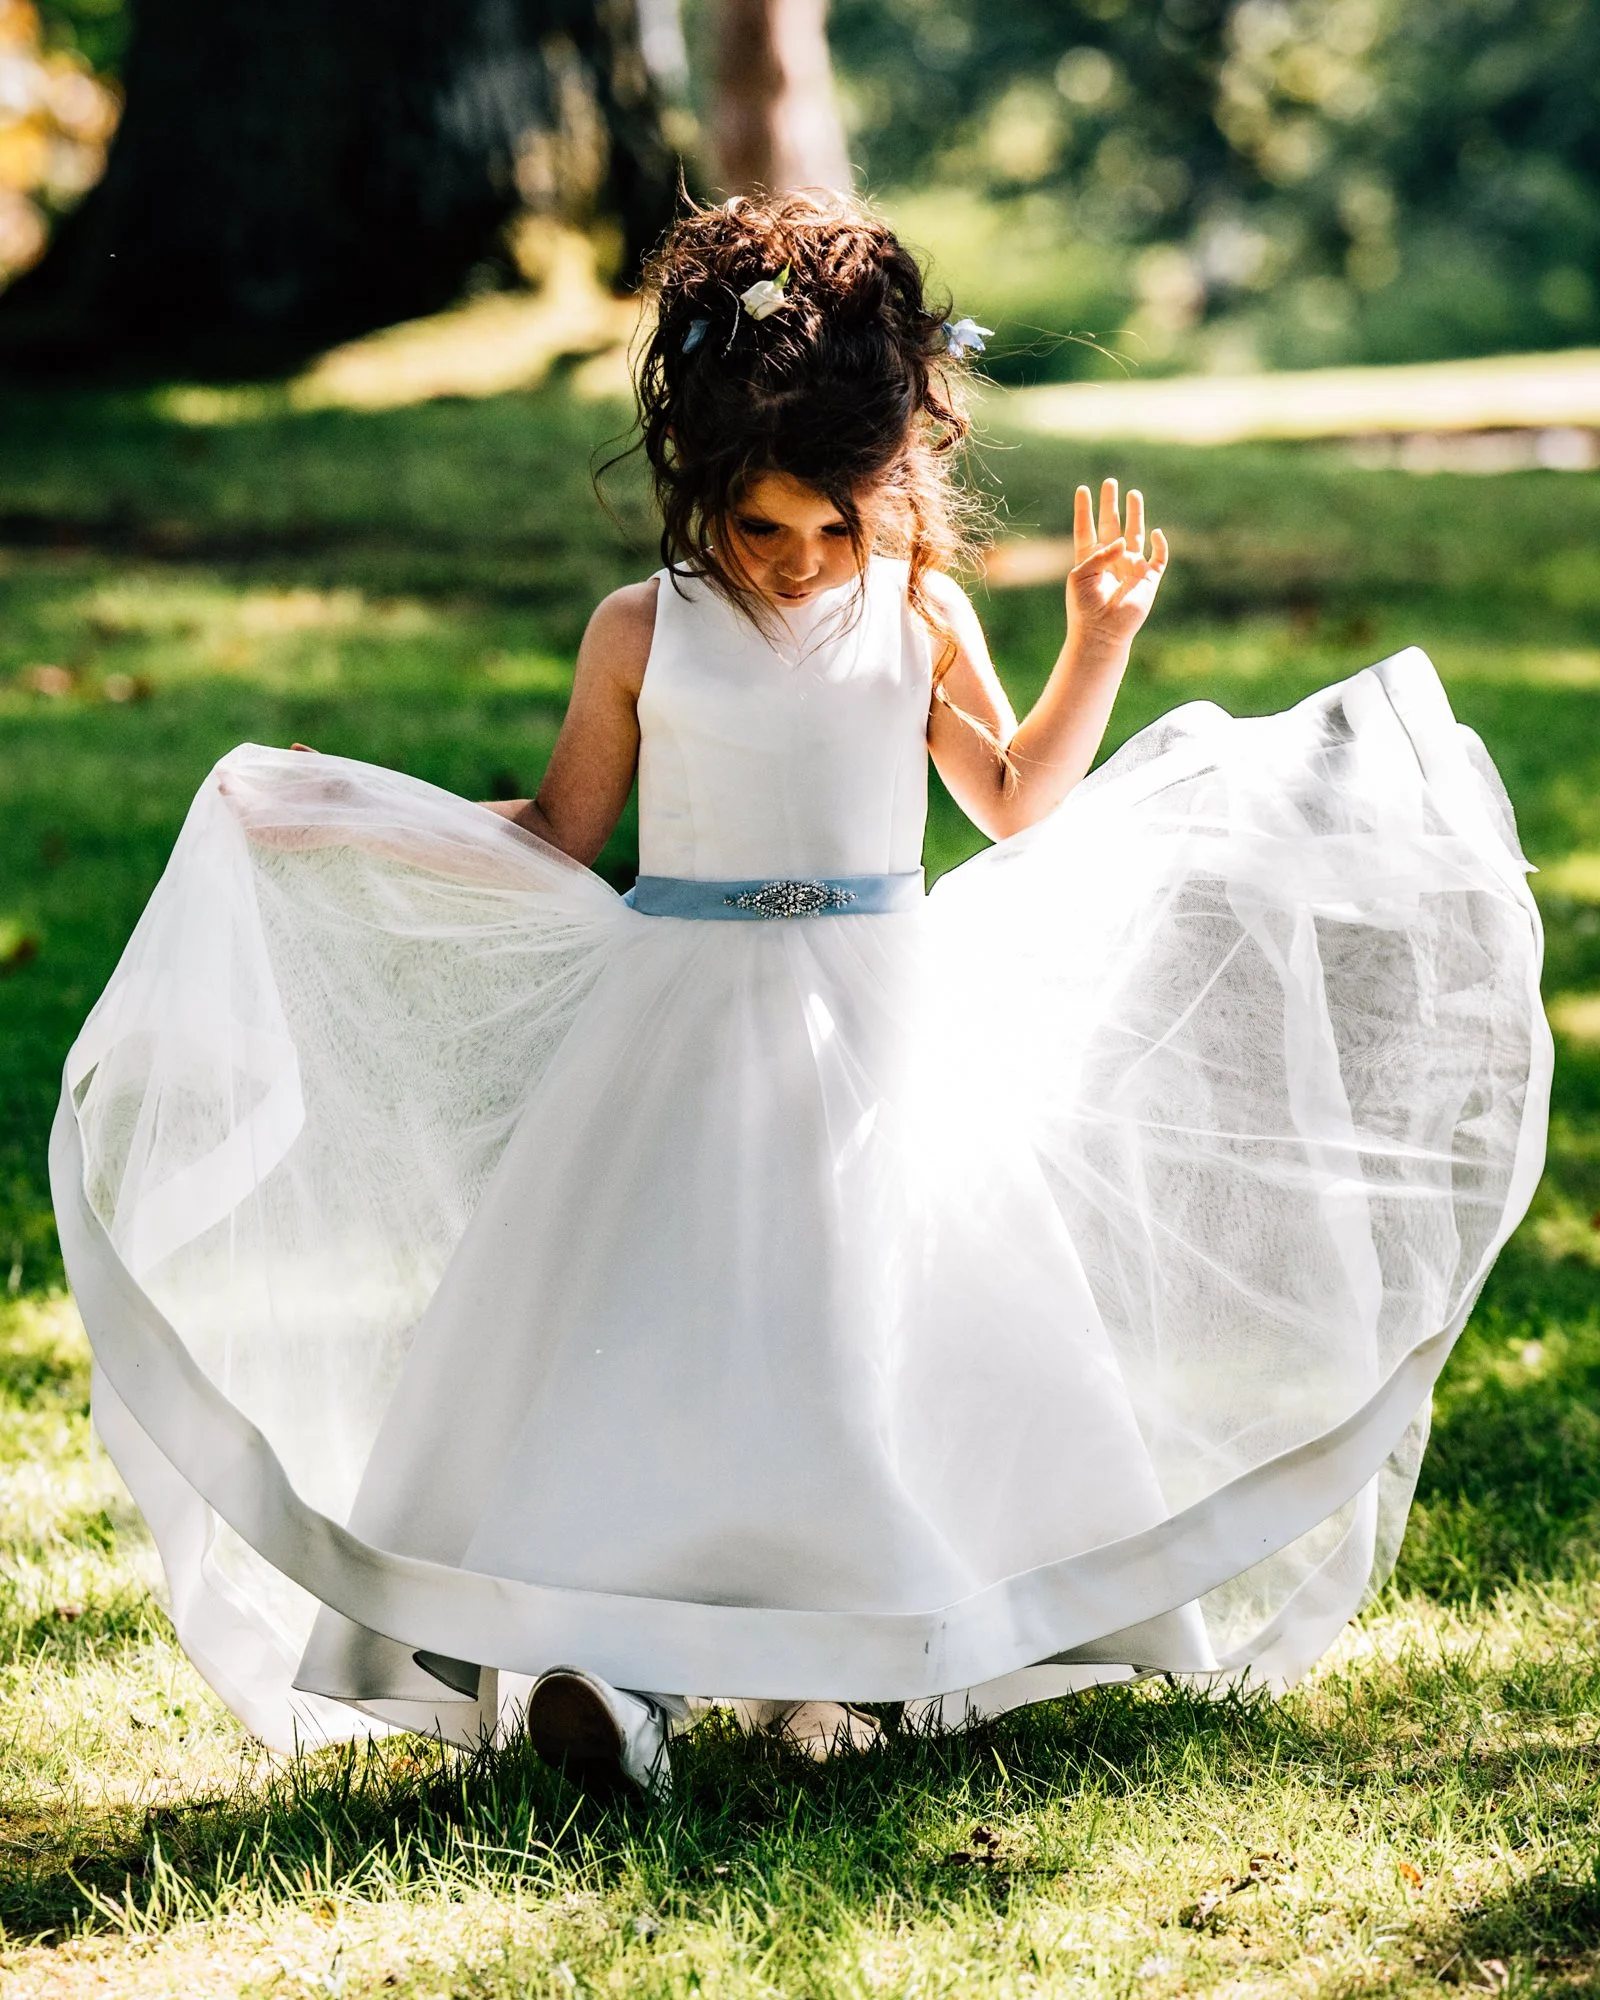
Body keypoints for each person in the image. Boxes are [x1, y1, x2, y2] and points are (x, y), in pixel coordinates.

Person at [52, 191, 1550, 1800]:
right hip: (681, 1023)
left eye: (834, 526)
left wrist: (1096, 644)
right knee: (660, 1338)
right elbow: (565, 833)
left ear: (889, 490)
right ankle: (610, 1670)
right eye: (764, 528)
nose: (798, 561)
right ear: (699, 485)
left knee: (871, 1334)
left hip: (887, 1023)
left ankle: (860, 1648)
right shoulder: (644, 629)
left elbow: (1018, 800)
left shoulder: (915, 607)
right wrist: (356, 812)